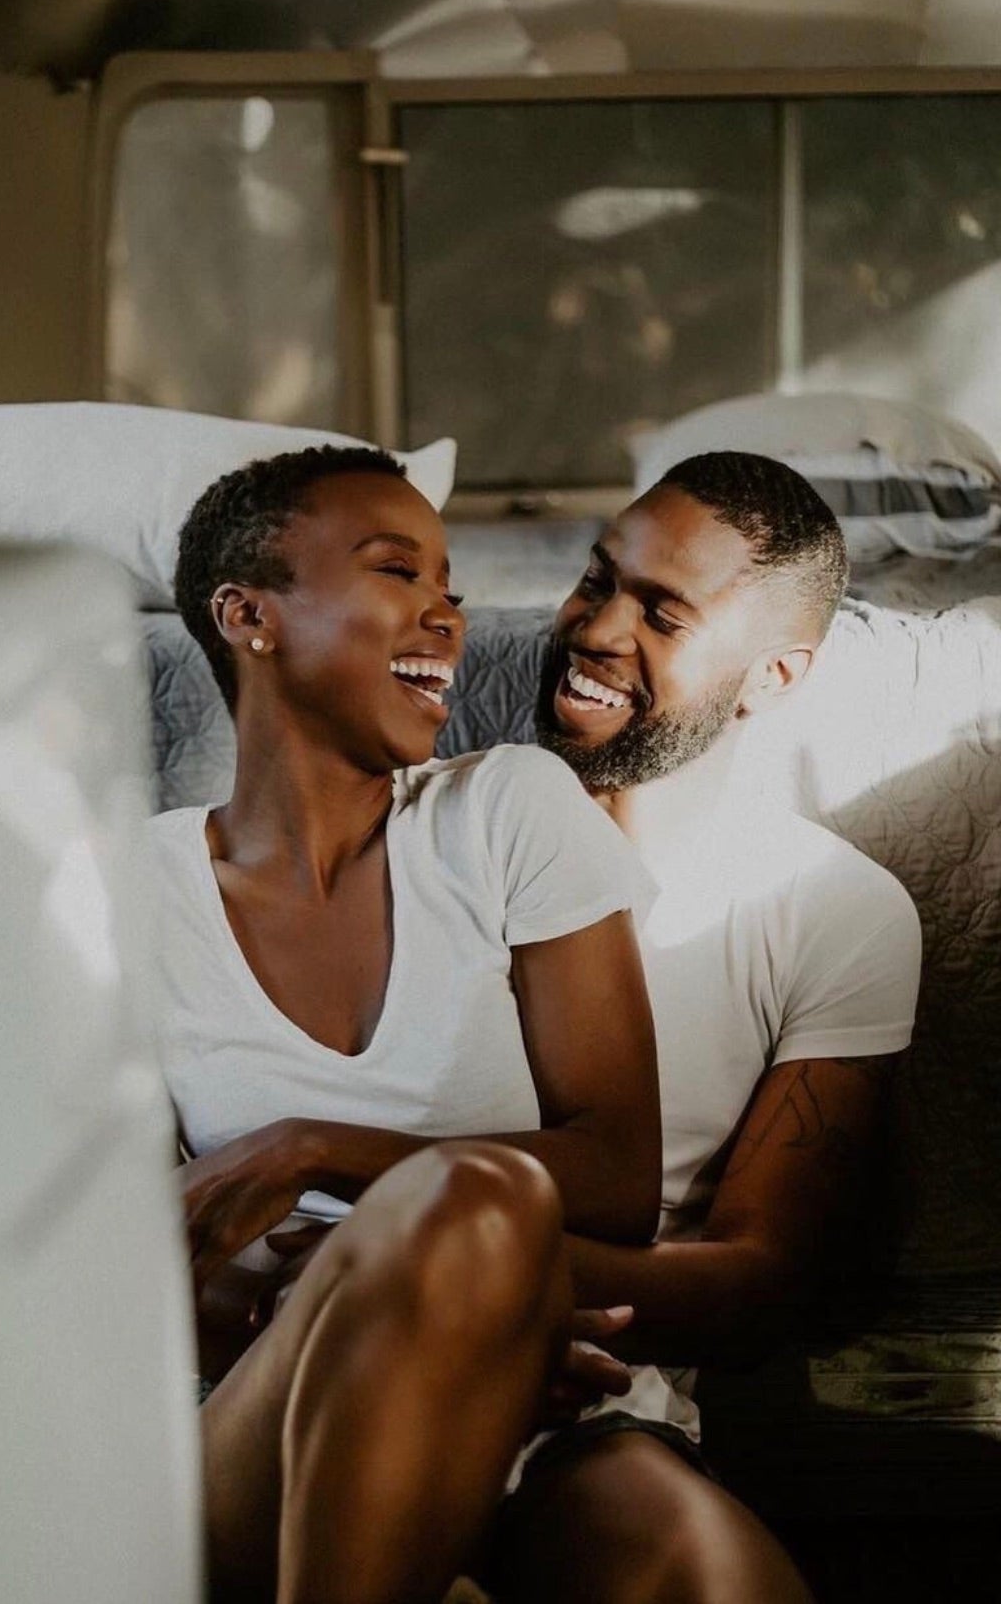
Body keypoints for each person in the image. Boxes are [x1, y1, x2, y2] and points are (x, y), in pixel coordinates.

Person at [142, 445, 663, 1604]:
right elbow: (119, 1251)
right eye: (395, 572)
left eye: (450, 587)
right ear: (248, 616)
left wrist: (308, 1149)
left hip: (545, 1408)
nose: (446, 613)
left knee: (717, 1584)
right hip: (250, 1409)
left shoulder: (509, 812)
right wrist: (387, 1312)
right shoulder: (122, 891)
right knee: (469, 1203)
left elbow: (618, 1173)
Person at [482, 451, 923, 1603]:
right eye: (595, 580)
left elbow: (762, 1280)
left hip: (588, 1396)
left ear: (774, 676)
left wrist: (471, 1281)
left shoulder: (834, 912)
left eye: (660, 612)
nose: (593, 627)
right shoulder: (435, 825)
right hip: (333, 1341)